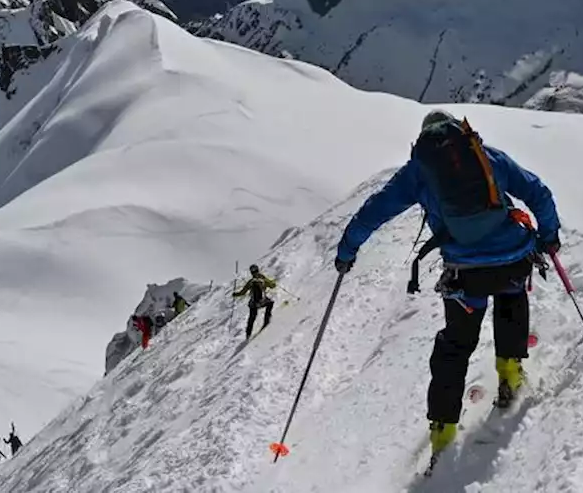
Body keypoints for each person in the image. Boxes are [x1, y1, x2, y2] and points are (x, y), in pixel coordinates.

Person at [333, 111, 559, 458]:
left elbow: (374, 211)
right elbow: (537, 190)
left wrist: (347, 251)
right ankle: (510, 374)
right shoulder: (486, 155)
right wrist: (549, 235)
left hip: (465, 272)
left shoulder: (419, 172)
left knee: (455, 344)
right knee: (512, 300)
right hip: (512, 257)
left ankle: (443, 431)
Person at [232, 264, 277, 338]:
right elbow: (272, 286)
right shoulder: (263, 279)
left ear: (251, 272)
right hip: (263, 301)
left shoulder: (251, 281)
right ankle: (267, 321)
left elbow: (243, 292)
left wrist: (235, 294)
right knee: (270, 303)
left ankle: (248, 334)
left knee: (252, 318)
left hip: (253, 303)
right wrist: (273, 282)